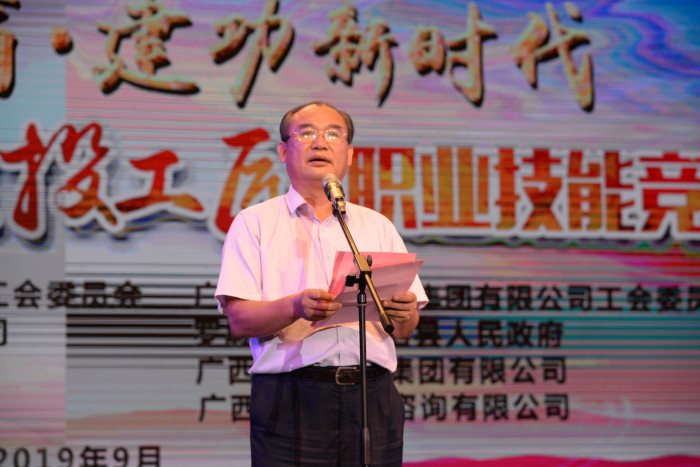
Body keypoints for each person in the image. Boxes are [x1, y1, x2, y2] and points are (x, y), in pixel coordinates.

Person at [215, 101, 428, 466]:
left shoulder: (376, 225)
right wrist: (295, 306)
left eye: (333, 133)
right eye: (306, 133)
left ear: (350, 153)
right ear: (284, 151)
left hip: (372, 395)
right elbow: (239, 320)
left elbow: (405, 330)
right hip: (292, 399)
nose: (319, 142)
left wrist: (405, 312)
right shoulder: (255, 223)